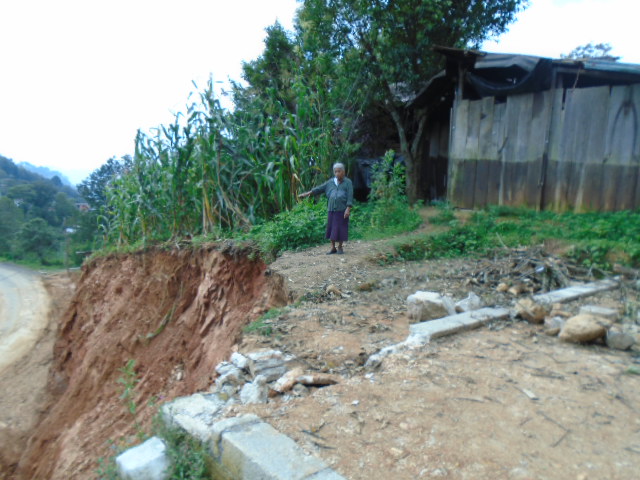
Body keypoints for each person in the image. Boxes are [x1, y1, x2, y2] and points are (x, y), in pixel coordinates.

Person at [299, 163, 354, 254]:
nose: (337, 173)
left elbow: (350, 196)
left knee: (341, 227)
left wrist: (348, 208)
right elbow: (318, 189)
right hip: (331, 209)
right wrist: (306, 194)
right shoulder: (330, 182)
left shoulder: (348, 182)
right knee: (331, 228)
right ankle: (333, 247)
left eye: (339, 171)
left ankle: (340, 247)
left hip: (342, 209)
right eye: (335, 171)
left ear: (343, 172)